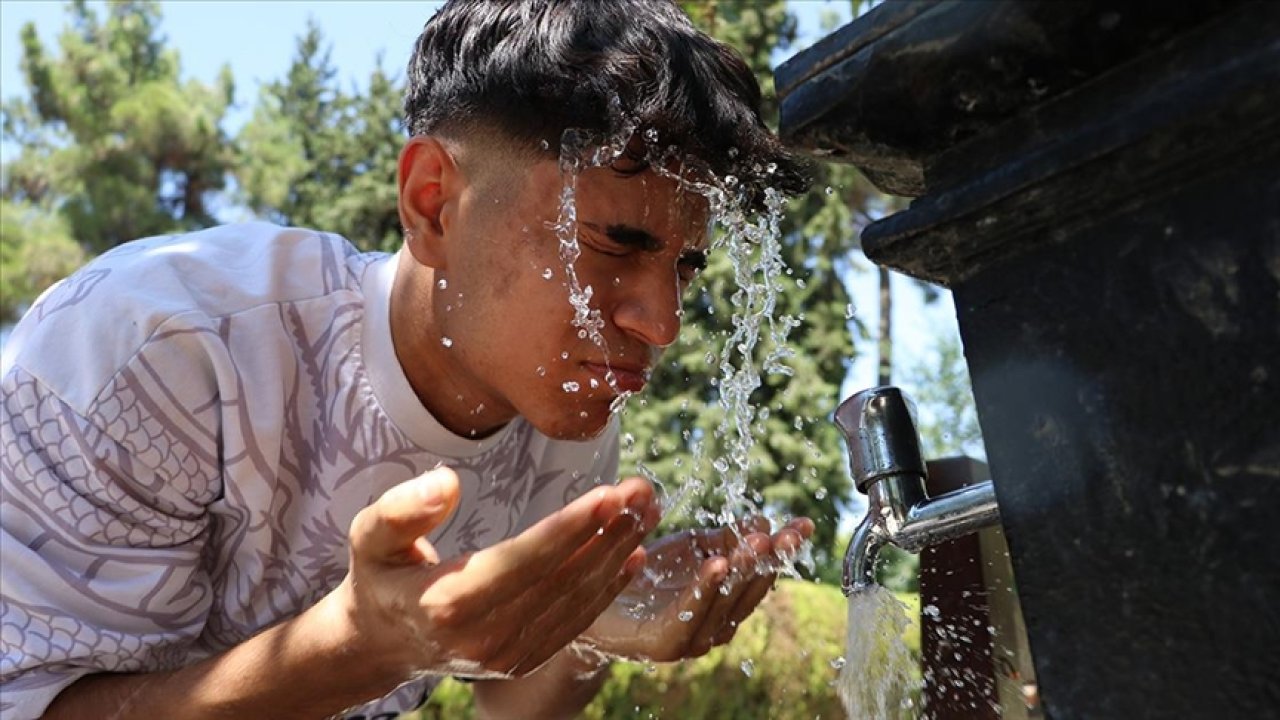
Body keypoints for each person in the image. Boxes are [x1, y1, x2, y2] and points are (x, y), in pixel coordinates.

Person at [0, 1, 815, 718]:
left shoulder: (562, 422)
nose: (663, 323)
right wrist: (362, 645)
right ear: (433, 202)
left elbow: (505, 703)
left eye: (684, 266)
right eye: (611, 242)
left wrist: (598, 625)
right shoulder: (160, 353)